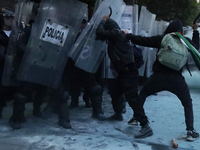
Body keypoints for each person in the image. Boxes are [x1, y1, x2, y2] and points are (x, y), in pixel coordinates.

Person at [125, 19, 199, 141]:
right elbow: (196, 46)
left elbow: (143, 40)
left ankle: (138, 119)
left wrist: (128, 35)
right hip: (176, 79)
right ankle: (190, 131)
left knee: (142, 94)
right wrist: (195, 30)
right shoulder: (185, 41)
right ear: (181, 31)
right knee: (187, 102)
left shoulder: (164, 38)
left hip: (158, 77)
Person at [96, 15, 141, 124]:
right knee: (115, 92)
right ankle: (118, 114)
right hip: (123, 70)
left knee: (131, 97)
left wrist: (103, 20)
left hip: (127, 70)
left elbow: (100, 32)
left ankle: (142, 121)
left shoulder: (116, 33)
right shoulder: (119, 34)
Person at [0, 7, 17, 119]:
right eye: (7, 18)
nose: (10, 20)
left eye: (12, 18)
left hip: (14, 64)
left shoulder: (17, 33)